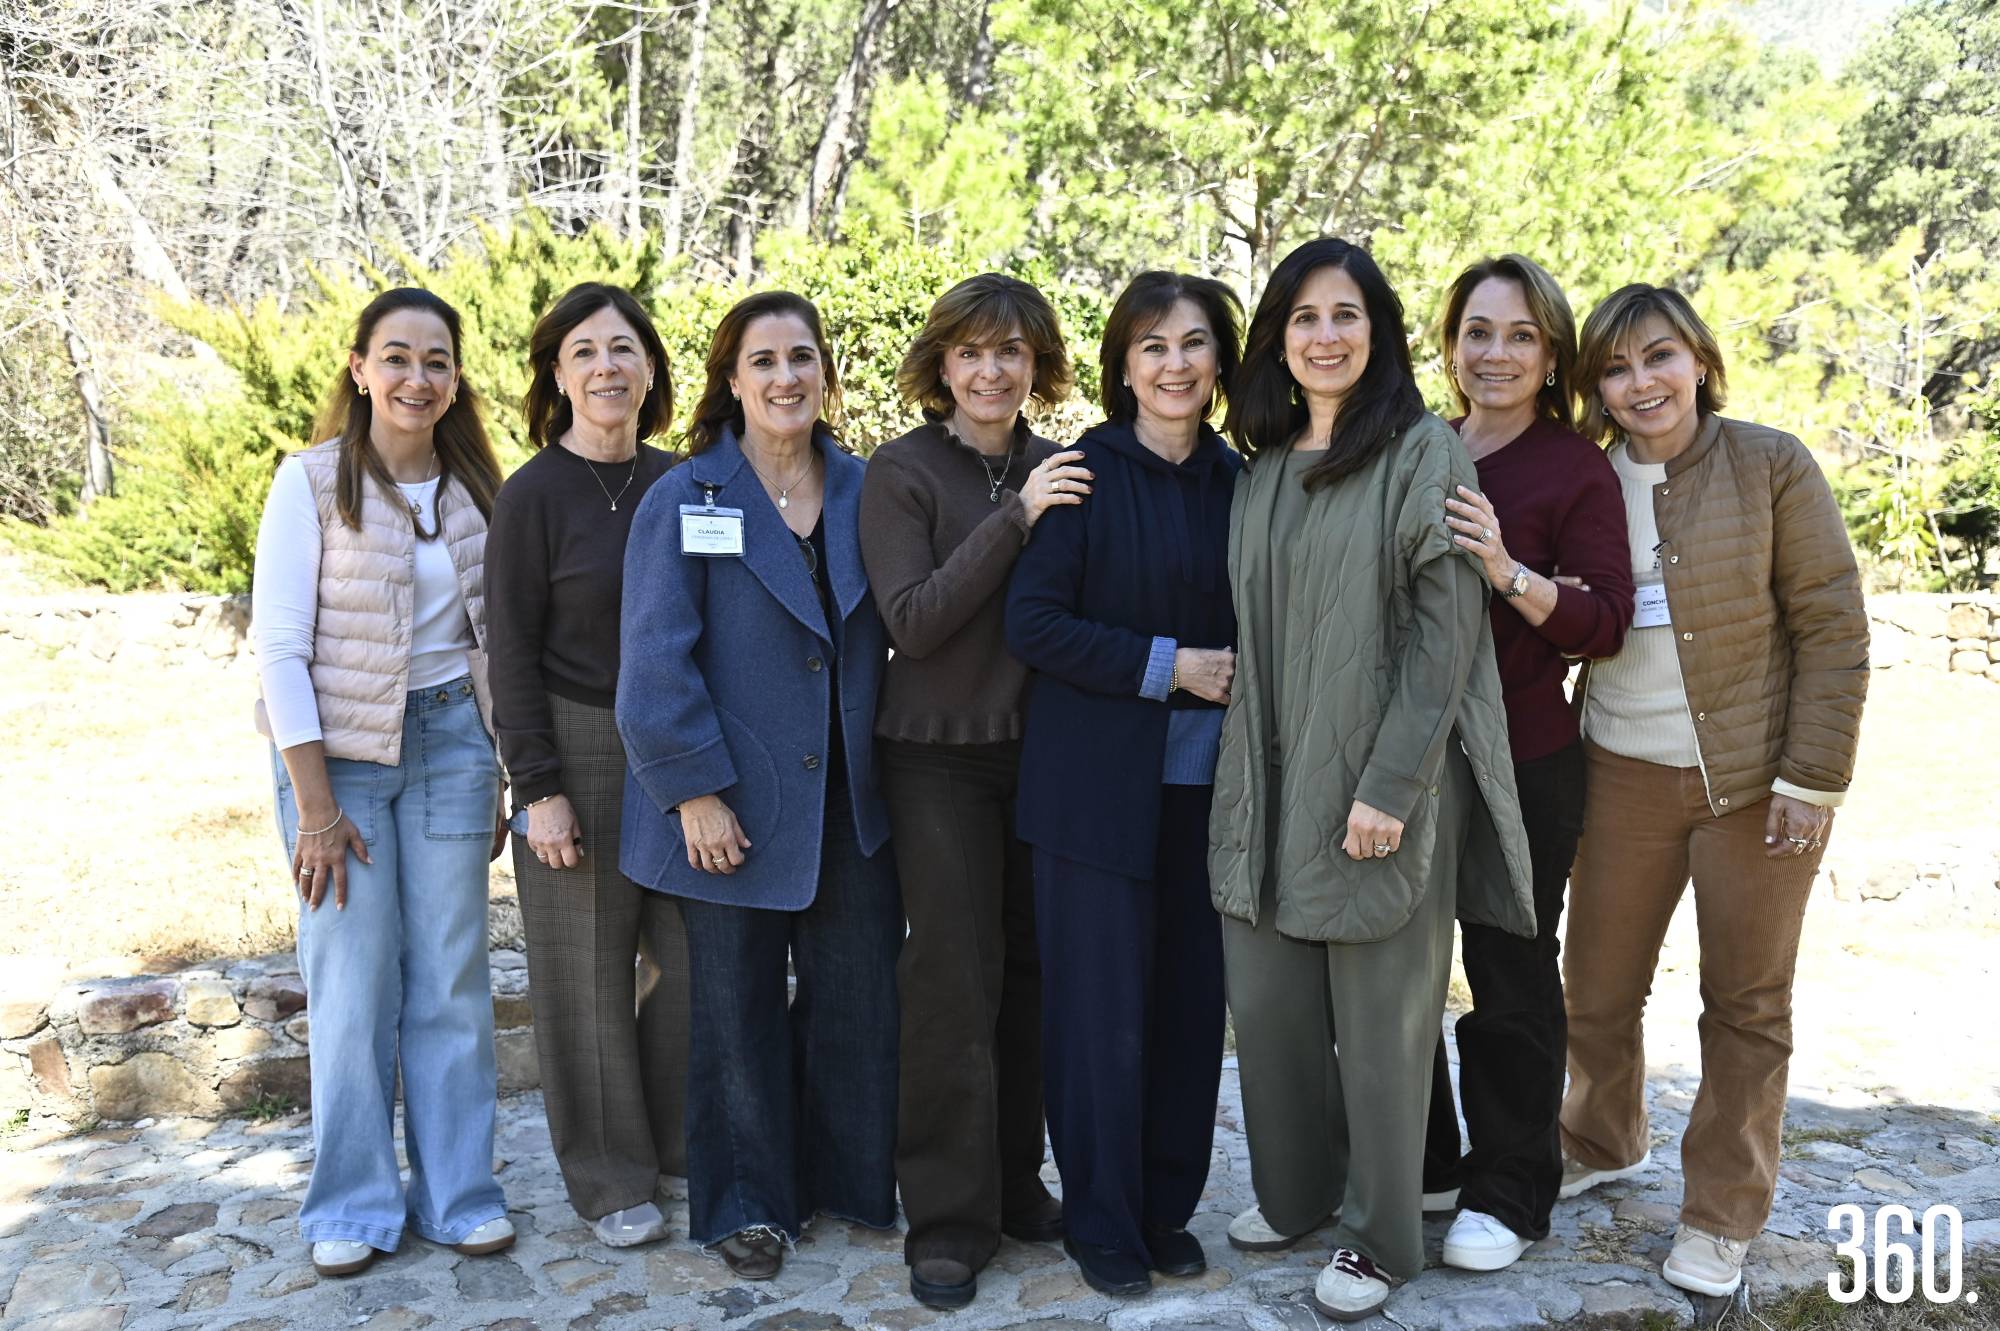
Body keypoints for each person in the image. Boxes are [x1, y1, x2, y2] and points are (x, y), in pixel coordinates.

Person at [1206, 238, 1535, 1322]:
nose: (1325, 335)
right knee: (1268, 1001)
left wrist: (1390, 785)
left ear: (1378, 332)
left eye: (1345, 314)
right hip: (1266, 771)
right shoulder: (1257, 468)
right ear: (1277, 340)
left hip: (1377, 780)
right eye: (1303, 317)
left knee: (1385, 1023)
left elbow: (1446, 634)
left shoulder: (1422, 456)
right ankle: (1298, 1192)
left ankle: (1381, 1235)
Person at [1559, 284, 1868, 1299]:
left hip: (1752, 779)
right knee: (1596, 986)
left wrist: (1810, 777)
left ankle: (1720, 1210)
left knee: (1743, 1002)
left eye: (1657, 357)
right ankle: (1601, 1136)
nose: (1638, 382)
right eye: (1613, 367)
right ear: (1593, 385)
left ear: (1697, 358)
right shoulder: (1584, 478)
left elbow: (1830, 624)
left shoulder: (1769, 462)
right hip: (1617, 770)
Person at [616, 291, 900, 1282]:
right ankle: (745, 1202)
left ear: (826, 372)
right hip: (733, 803)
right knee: (732, 1009)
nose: (786, 377)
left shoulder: (873, 488)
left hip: (854, 801)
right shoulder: (688, 496)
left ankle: (846, 1178)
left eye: (802, 357)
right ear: (729, 379)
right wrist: (693, 791)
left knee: (855, 996)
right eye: (764, 360)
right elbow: (655, 659)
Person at [251, 287, 514, 1277]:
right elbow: (279, 652)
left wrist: (502, 768)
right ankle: (353, 1204)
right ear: (359, 368)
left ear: (454, 378)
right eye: (397, 357)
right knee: (352, 984)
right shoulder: (311, 483)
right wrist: (314, 807)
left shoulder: (479, 490)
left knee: (450, 977)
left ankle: (460, 1193)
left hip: (454, 746)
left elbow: (495, 644)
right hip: (341, 765)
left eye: (437, 360)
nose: (417, 377)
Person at [1005, 270, 1242, 1299]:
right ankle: (1099, 1216)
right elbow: (1034, 622)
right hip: (1092, 794)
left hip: (1208, 796)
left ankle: (1161, 1207)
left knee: (1189, 1008)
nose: (1174, 363)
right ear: (1122, 365)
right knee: (1099, 1013)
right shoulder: (1082, 473)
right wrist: (1168, 665)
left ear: (1219, 363)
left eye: (1192, 343)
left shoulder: (1243, 480)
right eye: (1151, 345)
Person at [858, 274, 1090, 1309]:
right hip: (935, 757)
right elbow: (913, 617)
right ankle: (947, 1219)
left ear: (1037, 366)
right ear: (940, 364)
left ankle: (1011, 1182)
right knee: (951, 979)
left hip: (1037, 756)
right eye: (970, 351)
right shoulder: (899, 473)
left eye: (1011, 352)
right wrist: (1015, 519)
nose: (991, 370)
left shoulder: (1059, 466)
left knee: (1030, 975)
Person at [1416, 255, 1635, 1271]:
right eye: (1475, 331)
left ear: (1549, 354)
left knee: (1506, 968)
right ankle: (1420, 1158)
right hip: (1409, 758)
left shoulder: (1571, 467)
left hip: (1522, 758)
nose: (1492, 353)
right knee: (1394, 967)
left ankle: (1509, 1188)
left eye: (1516, 335)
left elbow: (1602, 623)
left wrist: (1505, 570)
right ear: (1448, 342)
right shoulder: (1415, 445)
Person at [485, 282, 689, 1250]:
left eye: (622, 348)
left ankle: (679, 1140)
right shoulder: (529, 496)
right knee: (586, 972)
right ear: (557, 376)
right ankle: (609, 1176)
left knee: (694, 962)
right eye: (584, 352)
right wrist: (539, 790)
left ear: (649, 368)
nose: (606, 366)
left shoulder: (686, 479)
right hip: (576, 743)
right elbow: (509, 653)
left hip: (684, 748)